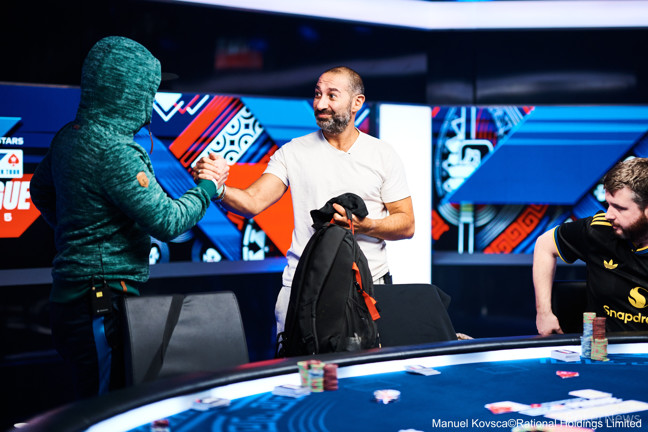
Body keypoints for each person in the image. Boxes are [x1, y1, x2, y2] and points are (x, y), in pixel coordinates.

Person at [29, 36, 229, 399]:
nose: (151, 101)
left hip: (72, 299)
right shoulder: (116, 151)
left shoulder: (68, 137)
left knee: (92, 397)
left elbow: (39, 191)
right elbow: (168, 222)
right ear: (132, 92)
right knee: (105, 406)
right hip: (99, 301)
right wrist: (208, 187)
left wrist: (82, 230)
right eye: (149, 91)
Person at [194, 66, 415, 334]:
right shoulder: (292, 152)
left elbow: (406, 224)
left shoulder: (382, 154)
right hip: (303, 287)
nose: (320, 104)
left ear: (357, 102)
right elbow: (252, 201)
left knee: (368, 362)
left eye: (332, 95)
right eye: (317, 94)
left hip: (368, 288)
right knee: (299, 362)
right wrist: (217, 188)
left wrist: (365, 225)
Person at [533, 157, 648, 336]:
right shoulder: (599, 230)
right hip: (599, 348)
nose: (609, 215)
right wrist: (544, 313)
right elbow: (544, 245)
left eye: (619, 208)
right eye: (608, 204)